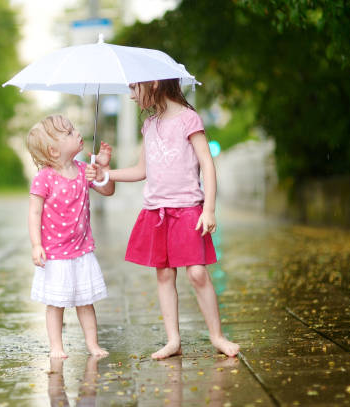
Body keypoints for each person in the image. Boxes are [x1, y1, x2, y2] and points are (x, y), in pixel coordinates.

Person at [87, 79, 239, 359]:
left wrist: (209, 208)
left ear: (154, 83)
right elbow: (140, 170)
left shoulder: (188, 119)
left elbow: (207, 162)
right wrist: (106, 175)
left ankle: (217, 336)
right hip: (157, 211)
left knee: (197, 273)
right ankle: (173, 340)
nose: (131, 95)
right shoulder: (149, 125)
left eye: (135, 88)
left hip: (188, 208)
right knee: (165, 274)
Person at [27, 115, 114, 358]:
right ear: (54, 151)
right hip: (55, 253)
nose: (76, 132)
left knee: (86, 302)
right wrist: (36, 245)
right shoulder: (44, 177)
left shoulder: (85, 170)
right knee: (56, 304)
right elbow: (34, 212)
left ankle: (93, 344)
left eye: (73, 129)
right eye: (68, 133)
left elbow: (108, 190)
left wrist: (102, 171)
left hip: (82, 250)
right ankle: (56, 346)